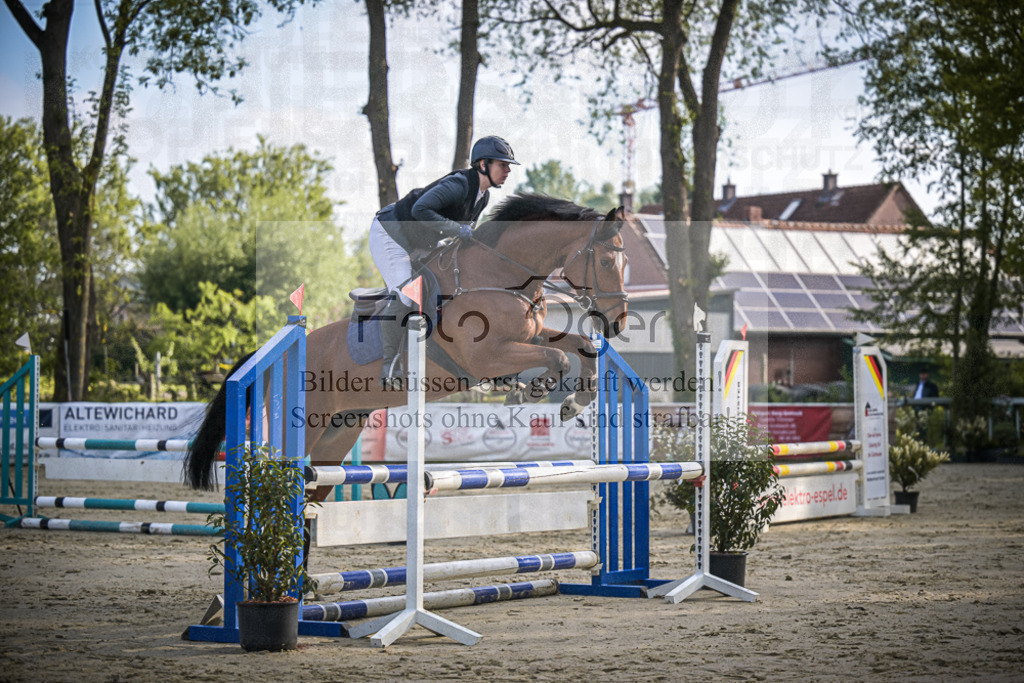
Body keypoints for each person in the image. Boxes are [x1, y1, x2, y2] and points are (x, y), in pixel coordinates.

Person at [369, 135, 519, 387]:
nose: (507, 171)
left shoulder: (483, 197)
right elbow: (419, 209)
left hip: (420, 240)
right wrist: (456, 229)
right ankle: (389, 365)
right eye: (502, 165)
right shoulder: (460, 184)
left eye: (508, 166)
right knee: (407, 295)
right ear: (483, 164)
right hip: (391, 234)